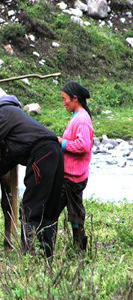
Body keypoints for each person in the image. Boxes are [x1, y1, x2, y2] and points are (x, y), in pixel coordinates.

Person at [0, 95, 64, 258]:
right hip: (55, 154)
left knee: (30, 206)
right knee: (49, 206)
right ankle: (47, 254)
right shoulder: (21, 125)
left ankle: (29, 254)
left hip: (41, 156)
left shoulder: (6, 112)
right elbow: (11, 157)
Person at [58, 81, 94, 251]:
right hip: (71, 174)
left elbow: (83, 146)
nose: (64, 103)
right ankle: (78, 247)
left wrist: (62, 143)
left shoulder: (82, 120)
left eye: (65, 99)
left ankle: (79, 248)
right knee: (74, 212)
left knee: (72, 213)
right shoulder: (78, 117)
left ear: (75, 99)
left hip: (73, 176)